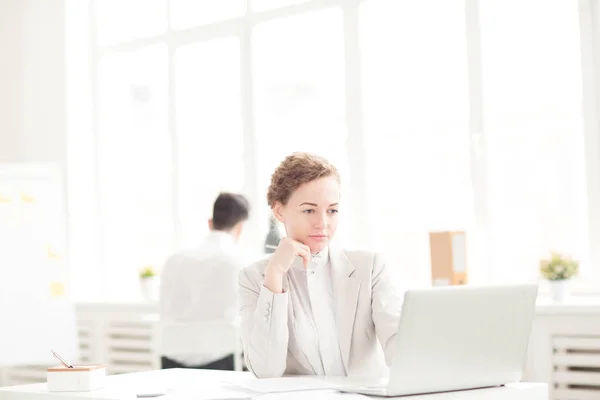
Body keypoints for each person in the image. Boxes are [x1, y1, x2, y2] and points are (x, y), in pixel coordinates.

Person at [238, 152, 403, 378]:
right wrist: (274, 275)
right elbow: (266, 370)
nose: (323, 224)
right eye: (309, 210)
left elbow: (400, 347)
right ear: (279, 211)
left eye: (332, 210)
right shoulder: (254, 278)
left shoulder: (371, 267)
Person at [160, 192, 250, 371]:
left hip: (172, 362)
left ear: (210, 223)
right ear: (240, 228)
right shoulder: (239, 262)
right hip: (222, 363)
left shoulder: (174, 259)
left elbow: (164, 309)